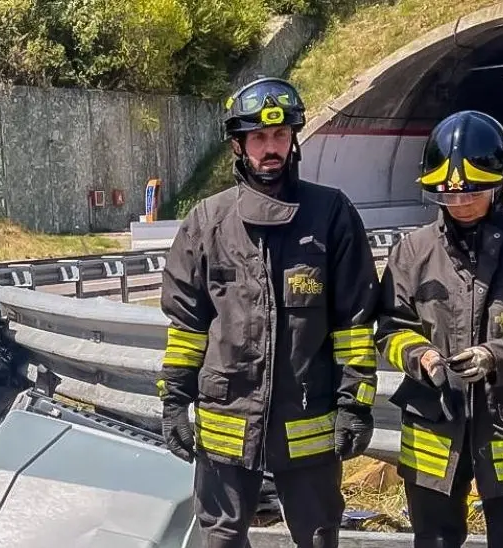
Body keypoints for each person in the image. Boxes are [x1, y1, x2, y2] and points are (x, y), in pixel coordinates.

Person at [156, 77, 380, 548]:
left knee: (317, 537)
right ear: (238, 145)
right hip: (227, 421)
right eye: (258, 137)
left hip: (309, 421)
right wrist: (174, 401)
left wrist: (355, 403)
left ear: (293, 138)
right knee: (221, 538)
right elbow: (187, 326)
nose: (270, 147)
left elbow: (354, 323)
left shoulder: (331, 214)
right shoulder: (207, 222)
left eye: (279, 135)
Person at [374, 110, 503, 548]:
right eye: (448, 194)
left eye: (472, 191)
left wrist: (497, 357)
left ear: (501, 182)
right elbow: (391, 328)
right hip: (435, 430)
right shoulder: (412, 252)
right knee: (434, 540)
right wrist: (421, 357)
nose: (460, 203)